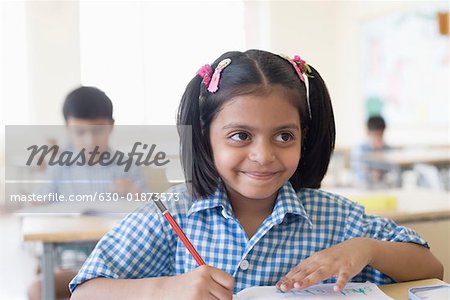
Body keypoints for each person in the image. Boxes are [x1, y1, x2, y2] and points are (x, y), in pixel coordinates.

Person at [69, 50, 442, 300]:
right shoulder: (173, 214)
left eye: (284, 136)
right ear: (204, 135)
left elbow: (431, 267)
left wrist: (367, 249)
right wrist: (167, 288)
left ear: (304, 137)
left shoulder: (334, 218)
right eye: (240, 136)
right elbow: (84, 290)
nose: (263, 156)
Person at [27, 86, 147, 300]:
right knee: (37, 289)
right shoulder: (58, 164)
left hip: (115, 263)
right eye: (80, 132)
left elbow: (149, 214)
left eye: (98, 130)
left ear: (111, 127)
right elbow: (38, 204)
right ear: (68, 129)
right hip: (71, 263)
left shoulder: (125, 166)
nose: (90, 141)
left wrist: (133, 191)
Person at [351, 115, 393, 188]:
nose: (379, 137)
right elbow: (358, 174)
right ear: (368, 132)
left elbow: (392, 172)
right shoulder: (360, 150)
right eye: (376, 134)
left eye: (381, 134)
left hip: (384, 188)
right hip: (364, 188)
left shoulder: (387, 149)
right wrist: (371, 174)